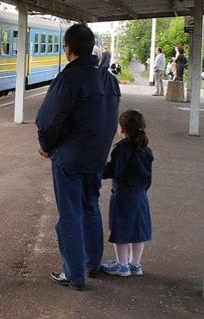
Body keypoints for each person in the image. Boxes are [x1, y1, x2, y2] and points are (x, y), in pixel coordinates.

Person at [36, 23, 121, 291]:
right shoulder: (109, 79)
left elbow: (48, 120)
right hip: (95, 157)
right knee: (90, 206)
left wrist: (47, 145)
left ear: (68, 48)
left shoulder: (69, 78)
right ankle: (91, 263)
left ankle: (73, 274)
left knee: (70, 214)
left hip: (69, 158)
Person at [100, 110, 154, 277]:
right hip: (140, 196)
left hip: (122, 195)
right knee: (138, 230)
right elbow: (148, 177)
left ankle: (122, 266)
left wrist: (98, 170)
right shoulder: (146, 149)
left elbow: (114, 170)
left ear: (122, 128)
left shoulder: (122, 148)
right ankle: (135, 264)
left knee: (120, 230)